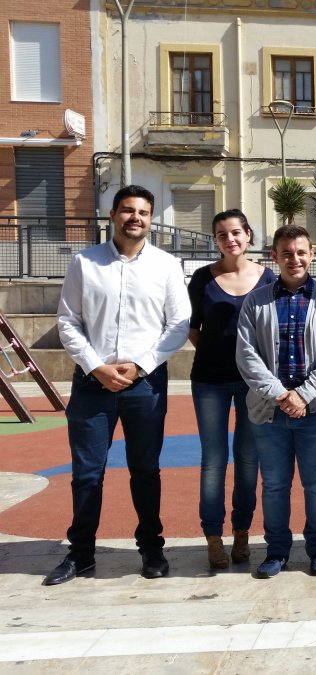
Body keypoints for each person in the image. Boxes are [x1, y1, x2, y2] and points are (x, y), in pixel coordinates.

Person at [45, 185, 191, 586]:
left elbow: (178, 325)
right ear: (112, 215)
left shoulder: (166, 265)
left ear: (151, 219)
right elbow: (68, 322)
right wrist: (96, 367)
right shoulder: (84, 262)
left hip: (145, 386)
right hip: (92, 385)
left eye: (143, 212)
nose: (136, 218)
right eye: (128, 210)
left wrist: (140, 366)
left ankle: (151, 549)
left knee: (146, 470)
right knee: (87, 474)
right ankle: (80, 554)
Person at [235, 225, 316, 579]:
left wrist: (304, 394)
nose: (294, 259)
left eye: (301, 252)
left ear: (312, 255)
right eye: (287, 253)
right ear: (275, 256)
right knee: (274, 484)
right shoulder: (256, 301)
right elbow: (246, 355)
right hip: (269, 412)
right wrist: (282, 395)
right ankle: (277, 551)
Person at [189, 209, 276, 570]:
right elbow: (192, 327)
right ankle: (213, 537)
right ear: (216, 240)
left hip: (253, 383)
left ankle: (242, 533)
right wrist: (217, 353)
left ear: (249, 235)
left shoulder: (268, 278)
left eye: (236, 232)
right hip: (209, 380)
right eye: (222, 234)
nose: (230, 239)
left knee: (247, 460)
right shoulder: (201, 279)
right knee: (212, 461)